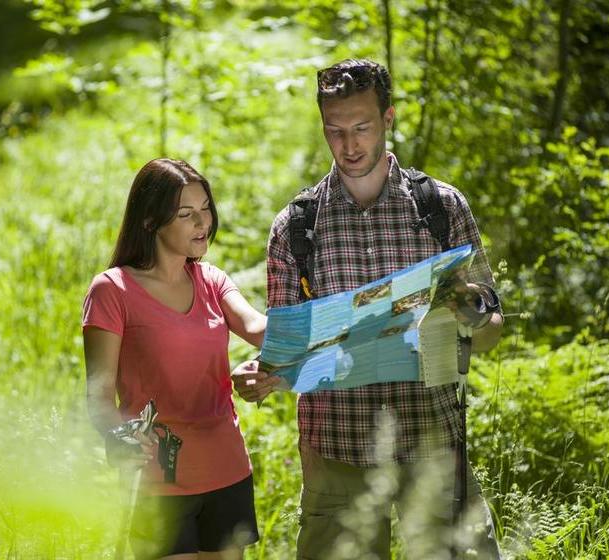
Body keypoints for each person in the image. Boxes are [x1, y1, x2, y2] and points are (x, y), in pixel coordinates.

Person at [232, 59, 504, 559]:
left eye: (361, 128)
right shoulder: (297, 226)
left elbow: (491, 329)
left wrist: (468, 312)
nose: (349, 145)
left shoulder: (440, 208)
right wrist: (263, 374)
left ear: (388, 118)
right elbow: (287, 345)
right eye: (335, 132)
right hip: (337, 447)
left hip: (432, 435)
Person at [83, 158, 267, 560]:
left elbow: (259, 329)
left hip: (226, 469)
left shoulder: (212, 281)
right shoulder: (112, 292)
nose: (203, 222)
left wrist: (340, 317)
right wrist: (119, 435)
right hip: (157, 483)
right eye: (186, 214)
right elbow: (97, 399)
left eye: (206, 209)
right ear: (150, 221)